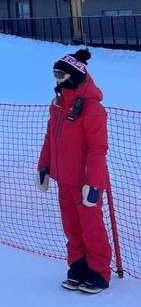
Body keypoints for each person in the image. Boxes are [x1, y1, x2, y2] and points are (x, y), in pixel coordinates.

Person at [37, 48, 112, 294]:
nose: (57, 80)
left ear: (75, 76)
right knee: (71, 227)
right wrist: (44, 167)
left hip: (84, 182)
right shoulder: (59, 105)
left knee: (91, 227)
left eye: (61, 75)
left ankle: (98, 272)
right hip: (64, 180)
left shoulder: (93, 110)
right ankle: (78, 268)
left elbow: (98, 149)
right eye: (55, 74)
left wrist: (94, 183)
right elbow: (50, 138)